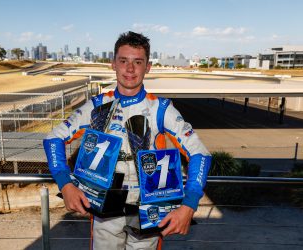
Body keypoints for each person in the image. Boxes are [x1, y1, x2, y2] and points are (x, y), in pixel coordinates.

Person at [43, 31, 211, 249]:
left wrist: (189, 205)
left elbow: (200, 154)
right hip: (104, 208)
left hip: (148, 209)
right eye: (123, 61)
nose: (130, 69)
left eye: (137, 62)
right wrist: (65, 184)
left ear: (147, 67)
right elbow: (53, 139)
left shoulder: (161, 109)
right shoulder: (96, 106)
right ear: (113, 64)